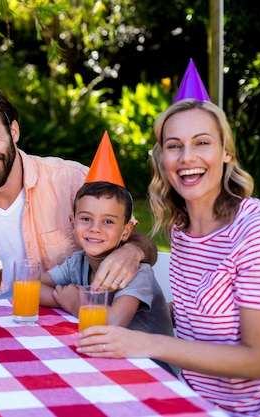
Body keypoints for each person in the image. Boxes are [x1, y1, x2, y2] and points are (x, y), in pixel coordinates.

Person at [76, 97, 260, 416]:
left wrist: (146, 343)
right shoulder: (181, 228)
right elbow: (206, 311)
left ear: (226, 153)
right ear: (162, 158)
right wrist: (149, 315)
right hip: (185, 398)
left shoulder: (254, 227)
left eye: (202, 142)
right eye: (174, 145)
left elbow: (258, 360)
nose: (187, 157)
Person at [0, 53, 157, 299]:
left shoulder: (74, 180)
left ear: (14, 131)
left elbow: (138, 238)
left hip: (61, 327)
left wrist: (132, 251)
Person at [38, 133, 176, 374]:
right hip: (104, 356)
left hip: (148, 368)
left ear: (126, 231)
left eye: (108, 222)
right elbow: (33, 286)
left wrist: (77, 304)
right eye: (86, 219)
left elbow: (114, 322)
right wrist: (65, 297)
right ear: (73, 223)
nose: (95, 229)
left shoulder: (136, 272)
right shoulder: (77, 263)